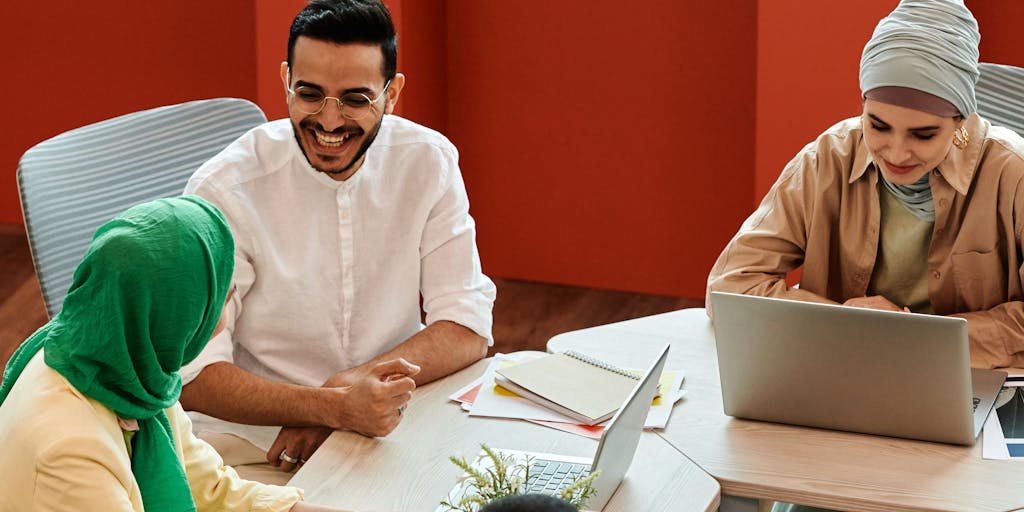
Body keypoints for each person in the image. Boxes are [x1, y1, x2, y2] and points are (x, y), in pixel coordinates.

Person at [178, 0, 496, 484]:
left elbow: (466, 326)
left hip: (396, 419)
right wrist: (333, 409)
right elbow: (194, 377)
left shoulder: (428, 162)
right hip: (258, 443)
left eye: (354, 99)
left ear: (392, 94)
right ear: (286, 79)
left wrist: (344, 398)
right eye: (309, 94)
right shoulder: (223, 190)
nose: (329, 121)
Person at [707, 0, 1024, 378]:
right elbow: (730, 287)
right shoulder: (827, 158)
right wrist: (846, 322)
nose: (896, 152)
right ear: (862, 107)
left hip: (970, 378)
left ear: (961, 119)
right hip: (843, 372)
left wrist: (918, 339)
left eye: (923, 134)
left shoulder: (1013, 172)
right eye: (878, 126)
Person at [0, 197, 347, 511]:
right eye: (221, 302)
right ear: (177, 318)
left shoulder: (127, 359)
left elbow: (206, 486)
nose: (225, 313)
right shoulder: (69, 449)